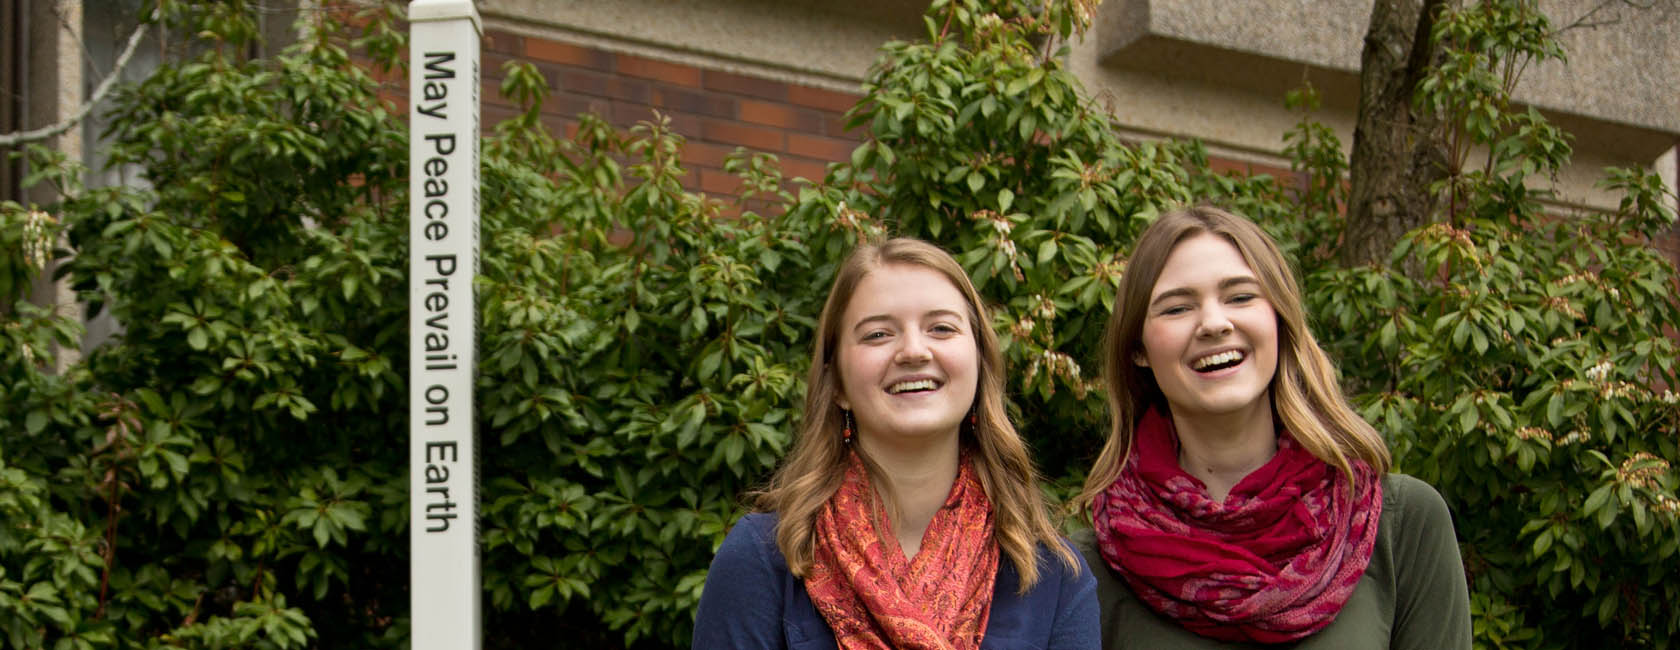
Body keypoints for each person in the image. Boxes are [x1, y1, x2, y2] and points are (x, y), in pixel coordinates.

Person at [1071, 206, 1472, 649]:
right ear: (1138, 350)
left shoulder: (1402, 528)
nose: (1214, 323)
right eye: (1178, 307)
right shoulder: (1090, 569)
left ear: (1279, 320)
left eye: (1240, 297)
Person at [693, 237, 1099, 649]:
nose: (913, 350)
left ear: (979, 364)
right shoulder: (766, 560)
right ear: (838, 385)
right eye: (878, 334)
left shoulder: (1053, 579)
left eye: (941, 328)